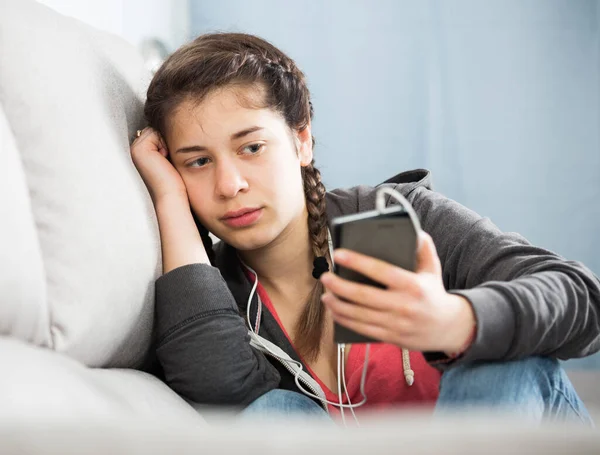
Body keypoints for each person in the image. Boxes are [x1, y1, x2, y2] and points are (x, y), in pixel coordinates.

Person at [130, 32, 599, 425]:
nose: (229, 185)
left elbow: (583, 300)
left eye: (252, 148)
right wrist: (170, 200)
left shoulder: (383, 220)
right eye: (197, 161)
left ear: (301, 141)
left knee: (497, 370)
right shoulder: (218, 293)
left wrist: (457, 322)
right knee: (273, 412)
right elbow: (219, 393)